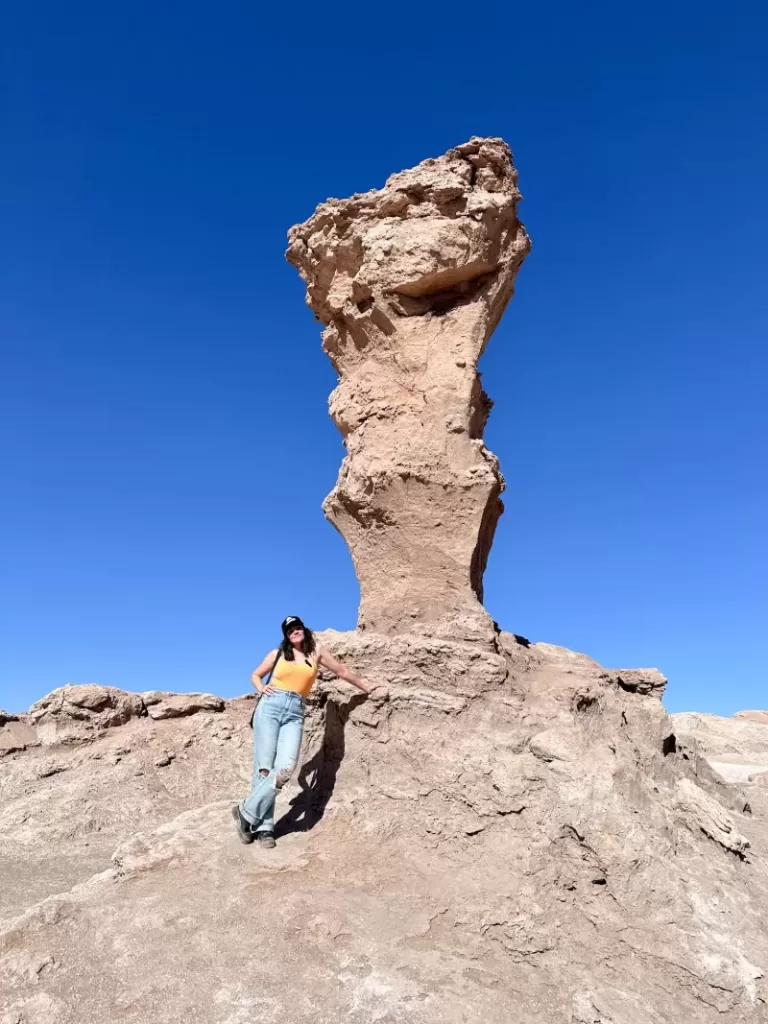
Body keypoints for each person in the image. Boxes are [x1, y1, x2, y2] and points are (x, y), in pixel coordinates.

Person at [232, 615, 375, 848]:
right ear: (286, 636)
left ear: (303, 629)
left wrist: (367, 687)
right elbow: (255, 675)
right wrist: (261, 688)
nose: (294, 631)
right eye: (289, 630)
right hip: (270, 707)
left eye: (297, 627)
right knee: (265, 767)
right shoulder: (277, 654)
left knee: (286, 768)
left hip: (296, 711)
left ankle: (245, 812)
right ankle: (265, 827)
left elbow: (341, 670)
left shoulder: (316, 651)